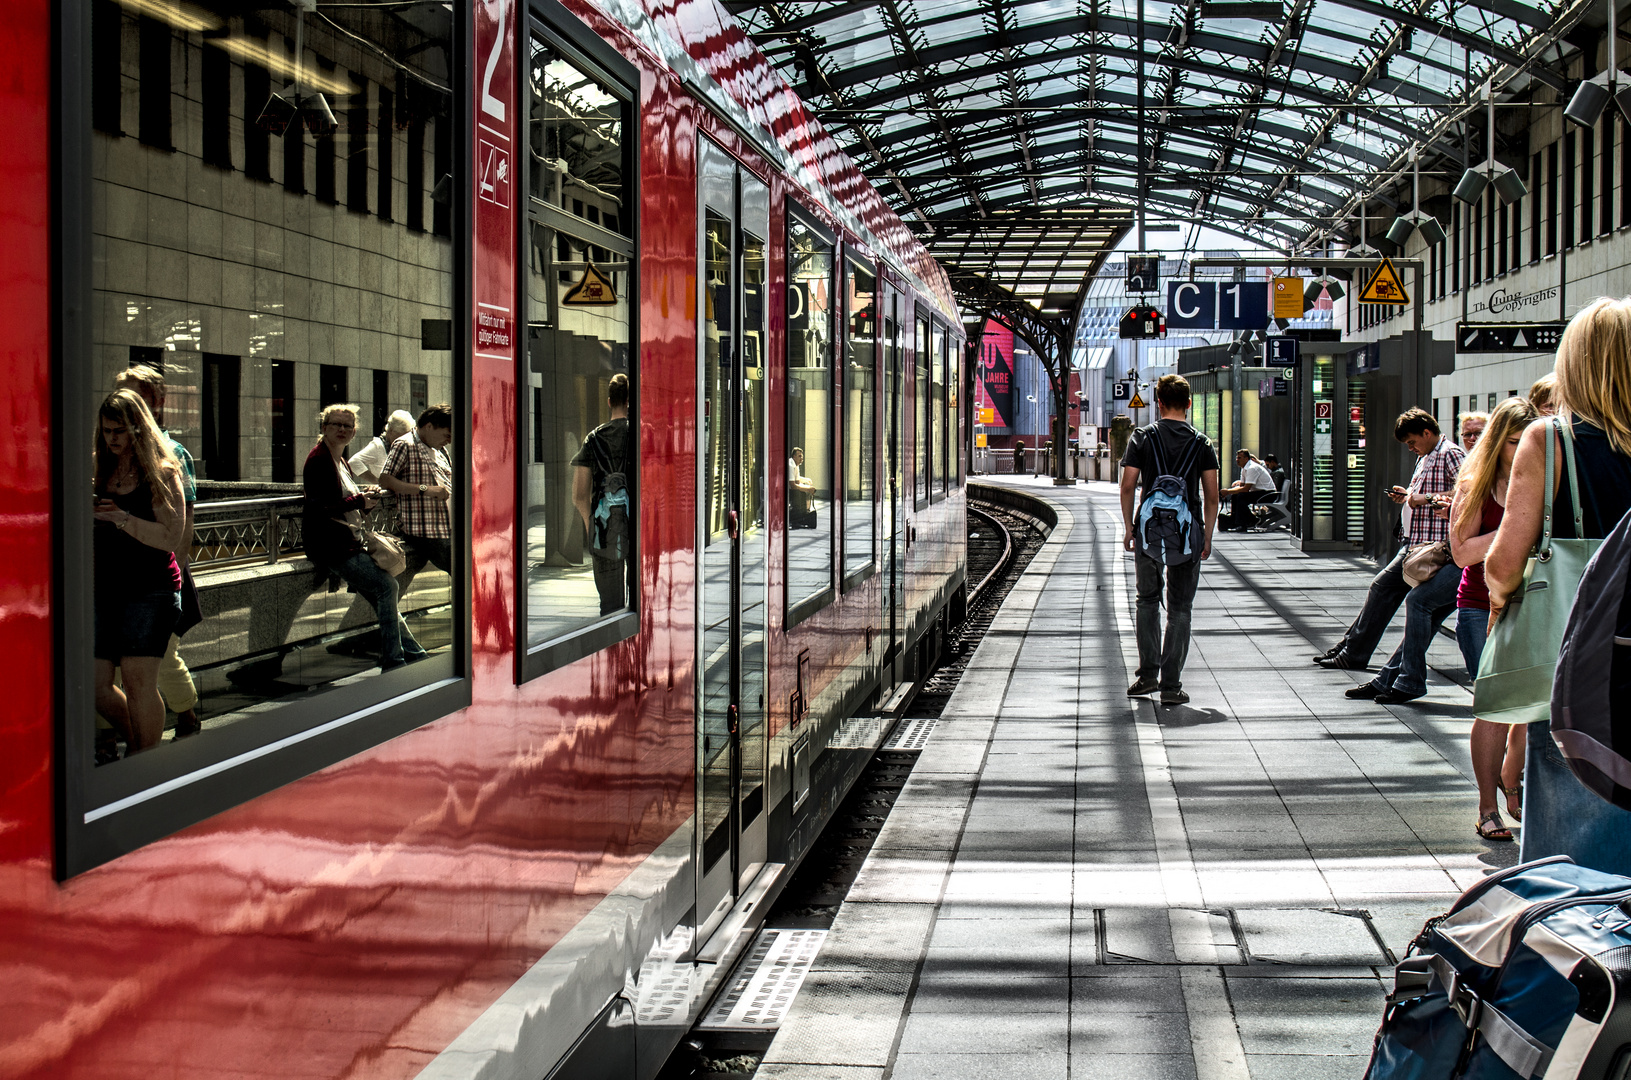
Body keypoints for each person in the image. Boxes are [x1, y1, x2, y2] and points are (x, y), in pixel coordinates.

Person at [1487, 298, 1631, 873]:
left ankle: (1580, 946)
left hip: (1578, 658)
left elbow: (1503, 563)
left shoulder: (1551, 440)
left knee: (1575, 817)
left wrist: (1502, 593)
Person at [1313, 409, 1465, 670]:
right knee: (1382, 591)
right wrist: (1408, 495)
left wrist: (1425, 497)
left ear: (1427, 432)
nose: (1410, 448)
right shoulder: (1427, 455)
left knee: (1383, 589)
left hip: (1433, 545)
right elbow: (1425, 495)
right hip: (1416, 541)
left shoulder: (1450, 453)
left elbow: (1467, 490)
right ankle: (1351, 647)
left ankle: (1354, 651)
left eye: (1412, 442)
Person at [1448, 397, 1536, 841]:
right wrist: (1519, 525)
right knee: (1494, 709)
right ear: (1498, 442)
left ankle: (1513, 783)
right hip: (1481, 606)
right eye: (1515, 443)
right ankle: (1487, 807)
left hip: (1534, 603)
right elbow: (1462, 552)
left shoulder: (1543, 478)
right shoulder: (1475, 485)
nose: (1524, 451)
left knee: (1528, 710)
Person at [93, 390, 188, 758]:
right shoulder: (99, 469)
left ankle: (146, 763)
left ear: (138, 429)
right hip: (104, 589)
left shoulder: (161, 473)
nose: (113, 439)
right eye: (106, 431)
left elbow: (170, 537)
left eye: (120, 431)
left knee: (137, 681)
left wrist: (121, 519)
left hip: (151, 590)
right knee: (97, 684)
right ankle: (139, 744)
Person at [112, 365, 203, 739]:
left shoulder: (172, 453)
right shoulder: (113, 450)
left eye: (140, 396)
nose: (130, 407)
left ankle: (186, 715)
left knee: (163, 658)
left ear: (159, 401)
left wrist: (174, 581)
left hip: (159, 577)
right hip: (121, 576)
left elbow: (183, 526)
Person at [1119, 374, 1221, 706]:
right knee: (1180, 608)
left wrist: (1128, 527)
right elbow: (1212, 497)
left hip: (1149, 531)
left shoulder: (1142, 438)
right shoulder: (1203, 443)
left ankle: (1148, 675)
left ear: (1158, 403)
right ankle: (1171, 685)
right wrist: (1206, 536)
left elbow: (1127, 485)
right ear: (1189, 404)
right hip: (1187, 532)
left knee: (1147, 600)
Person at [303, 404, 426, 671]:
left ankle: (414, 653)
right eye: (336, 424)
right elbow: (318, 507)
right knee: (387, 587)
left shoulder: (339, 459)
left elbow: (342, 503)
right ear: (324, 428)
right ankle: (394, 660)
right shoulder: (319, 459)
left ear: (354, 430)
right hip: (331, 547)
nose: (342, 430)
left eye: (348, 426)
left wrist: (363, 501)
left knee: (384, 596)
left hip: (346, 541)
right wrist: (358, 499)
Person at [573, 373, 635, 615]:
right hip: (637, 534)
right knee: (642, 608)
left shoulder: (592, 439)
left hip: (603, 532)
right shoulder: (642, 435)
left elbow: (579, 495)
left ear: (609, 401)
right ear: (630, 401)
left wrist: (592, 526)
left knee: (611, 609)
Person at [380, 404, 454, 580]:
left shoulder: (440, 450)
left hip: (448, 528)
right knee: (467, 571)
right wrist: (425, 489)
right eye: (446, 435)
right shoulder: (404, 444)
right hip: (427, 531)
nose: (449, 441)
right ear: (429, 426)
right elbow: (385, 479)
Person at [349, 409, 416, 486]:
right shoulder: (378, 446)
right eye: (400, 436)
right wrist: (377, 482)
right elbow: (354, 462)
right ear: (390, 431)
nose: (403, 440)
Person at [1217, 449, 1277, 531]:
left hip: (1268, 494)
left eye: (1240, 458)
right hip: (1259, 492)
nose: (1237, 460)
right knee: (1236, 496)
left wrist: (1227, 492)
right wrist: (1230, 491)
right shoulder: (1244, 468)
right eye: (1237, 458)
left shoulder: (1252, 468)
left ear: (1246, 459)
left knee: (1241, 497)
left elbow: (1246, 489)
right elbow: (1241, 486)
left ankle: (1247, 522)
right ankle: (1236, 521)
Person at [788, 447, 817, 528]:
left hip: (789, 489)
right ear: (794, 457)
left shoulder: (795, 465)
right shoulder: (790, 465)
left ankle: (804, 515)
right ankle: (797, 519)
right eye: (799, 456)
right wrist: (807, 488)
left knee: (805, 492)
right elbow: (793, 485)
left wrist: (806, 485)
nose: (802, 458)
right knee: (801, 493)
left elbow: (797, 481)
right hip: (783, 490)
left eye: (802, 456)